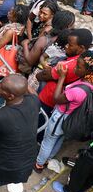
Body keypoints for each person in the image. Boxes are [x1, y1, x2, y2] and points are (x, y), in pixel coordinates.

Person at [35, 29, 93, 173]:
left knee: (48, 140)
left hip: (60, 117)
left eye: (79, 67)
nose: (76, 69)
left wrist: (61, 77)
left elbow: (56, 98)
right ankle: (48, 159)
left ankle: (38, 164)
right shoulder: (88, 84)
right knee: (58, 139)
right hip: (69, 120)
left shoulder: (78, 90)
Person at [0, 5, 30, 107]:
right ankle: (0, 102)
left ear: (16, 17)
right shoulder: (21, 27)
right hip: (12, 59)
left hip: (2, 58)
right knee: (5, 82)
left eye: (11, 12)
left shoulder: (10, 31)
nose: (8, 12)